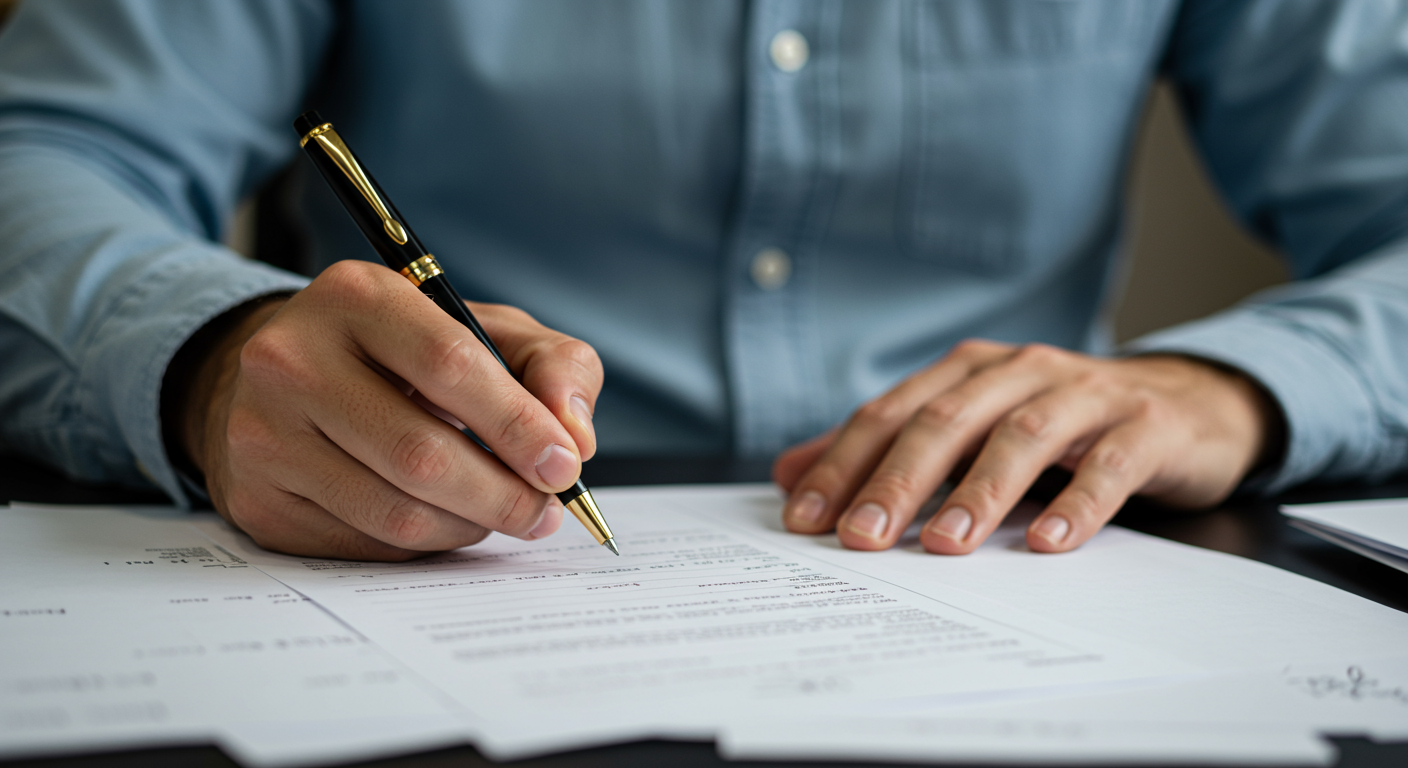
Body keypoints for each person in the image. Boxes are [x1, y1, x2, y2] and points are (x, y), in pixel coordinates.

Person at [1, 1, 1405, 561]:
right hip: (419, 564)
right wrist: (209, 356)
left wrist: (1233, 387)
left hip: (1006, 569)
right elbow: (47, 148)